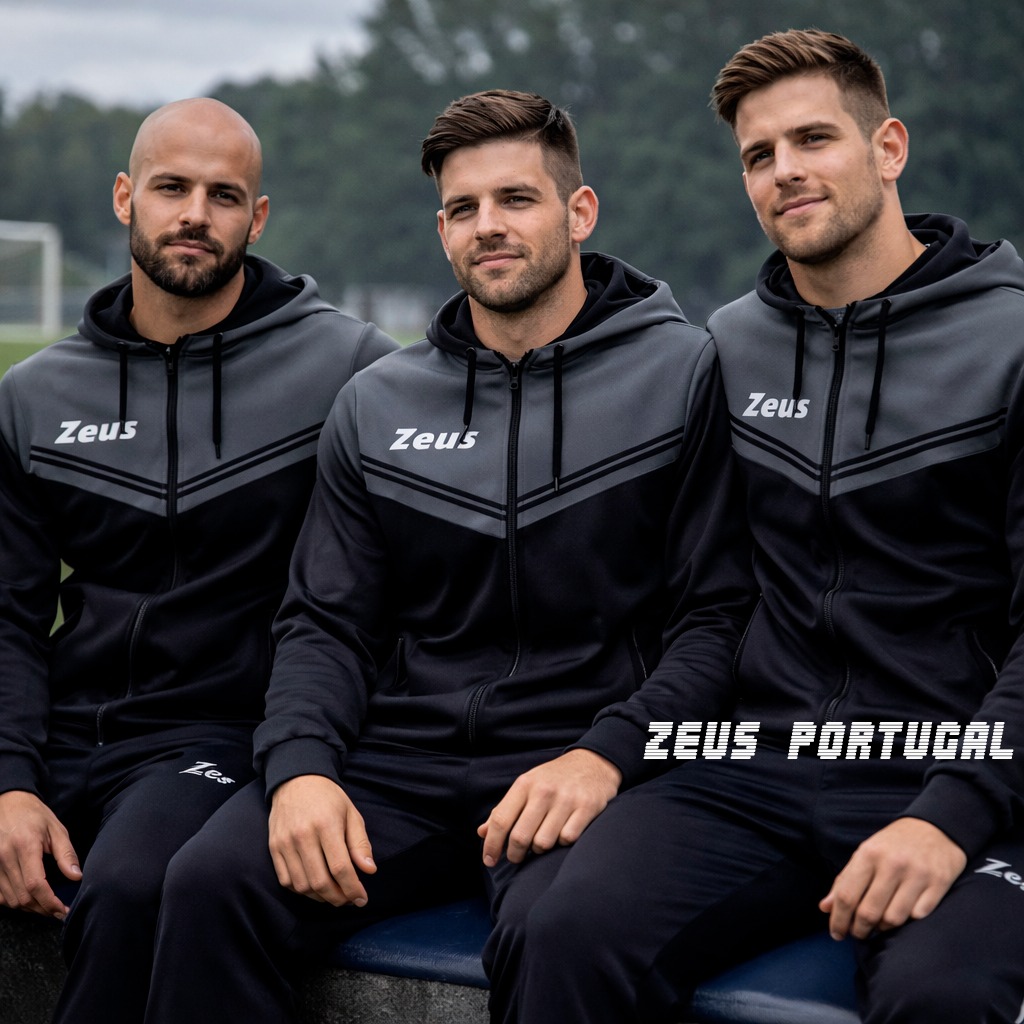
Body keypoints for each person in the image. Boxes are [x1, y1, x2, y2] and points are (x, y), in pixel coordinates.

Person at [139, 88, 753, 1023]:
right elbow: (325, 623)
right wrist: (301, 766)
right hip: (406, 765)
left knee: (564, 936)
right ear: (441, 231)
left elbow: (719, 617)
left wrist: (609, 756)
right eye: (464, 208)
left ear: (580, 212)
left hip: (582, 762)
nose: (488, 226)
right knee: (211, 881)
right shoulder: (379, 402)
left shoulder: (685, 374)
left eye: (517, 199)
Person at [504, 27, 1024, 1024]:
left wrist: (952, 814)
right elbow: (712, 608)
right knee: (566, 928)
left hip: (966, 771)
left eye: (813, 139)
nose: (784, 169)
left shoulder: (1008, 342)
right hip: (758, 765)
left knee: (943, 992)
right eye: (758, 154)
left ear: (888, 148)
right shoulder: (733, 345)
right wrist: (612, 746)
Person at [0, 97, 397, 1023]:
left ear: (257, 219)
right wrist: (10, 783)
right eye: (172, 188)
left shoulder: (349, 368)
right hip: (65, 731)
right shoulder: (35, 395)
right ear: (124, 197)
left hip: (220, 736)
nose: (195, 214)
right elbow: (9, 616)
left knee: (129, 888)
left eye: (224, 196)